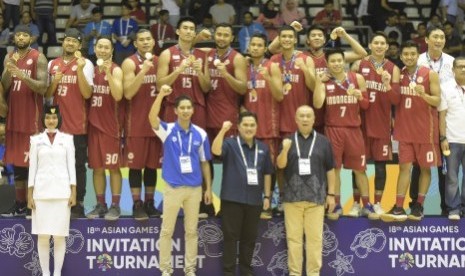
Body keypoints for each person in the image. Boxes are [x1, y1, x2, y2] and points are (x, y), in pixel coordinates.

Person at [149, 87, 212, 276]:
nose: (185, 110)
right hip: (173, 188)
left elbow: (205, 163)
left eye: (188, 107)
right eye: (182, 108)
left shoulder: (200, 134)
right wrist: (161, 95)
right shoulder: (167, 130)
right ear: (175, 111)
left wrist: (208, 188)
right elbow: (152, 118)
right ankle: (166, 270)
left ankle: (190, 270)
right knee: (166, 231)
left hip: (194, 189)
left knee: (192, 232)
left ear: (193, 110)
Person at [157, 17, 212, 218]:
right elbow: (159, 84)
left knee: (199, 155)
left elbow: (207, 87)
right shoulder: (167, 54)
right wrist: (178, 70)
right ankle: (169, 201)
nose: (189, 31)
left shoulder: (201, 56)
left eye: (192, 28)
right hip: (173, 108)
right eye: (185, 28)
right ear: (178, 32)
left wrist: (198, 71)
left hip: (196, 108)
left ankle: (200, 203)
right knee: (171, 155)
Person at [381, 41, 441, 222]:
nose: (409, 57)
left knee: (424, 169)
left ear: (418, 55)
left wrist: (424, 95)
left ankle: (419, 205)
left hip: (426, 132)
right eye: (405, 54)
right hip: (404, 131)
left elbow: (437, 101)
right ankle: (399, 207)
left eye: (412, 54)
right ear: (401, 57)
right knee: (404, 168)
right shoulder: (399, 75)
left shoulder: (429, 74)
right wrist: (386, 85)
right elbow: (395, 100)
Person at [313, 48, 376, 220]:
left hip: (353, 130)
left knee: (360, 170)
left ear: (344, 61)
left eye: (339, 60)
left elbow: (366, 106)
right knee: (335, 170)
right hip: (333, 130)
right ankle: (336, 205)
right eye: (332, 61)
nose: (336, 64)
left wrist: (359, 96)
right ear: (327, 63)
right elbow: (317, 104)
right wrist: (318, 82)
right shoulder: (325, 82)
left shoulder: (357, 78)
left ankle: (367, 205)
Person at [277, 105, 336, 276]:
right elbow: (280, 166)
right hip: (292, 200)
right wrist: (286, 149)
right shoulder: (287, 140)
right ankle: (294, 273)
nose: (304, 119)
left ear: (313, 119)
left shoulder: (324, 141)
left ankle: (313, 273)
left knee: (315, 241)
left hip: (316, 200)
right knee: (293, 240)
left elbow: (330, 170)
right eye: (301, 116)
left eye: (308, 116)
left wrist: (331, 195)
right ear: (295, 119)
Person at [211, 113, 273, 276]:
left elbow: (267, 173)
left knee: (249, 239)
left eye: (252, 125)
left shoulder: (263, 148)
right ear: (238, 127)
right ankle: (229, 272)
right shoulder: (230, 144)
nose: (249, 128)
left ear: (256, 127)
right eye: (245, 125)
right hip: (232, 199)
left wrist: (267, 196)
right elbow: (215, 150)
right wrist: (223, 130)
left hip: (254, 201)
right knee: (230, 238)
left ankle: (246, 271)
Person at [269, 25, 320, 216]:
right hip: (279, 120)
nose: (287, 40)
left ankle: (302, 196)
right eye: (284, 37)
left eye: (291, 37)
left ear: (295, 39)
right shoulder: (274, 60)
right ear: (280, 39)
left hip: (302, 122)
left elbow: (314, 86)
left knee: (302, 164)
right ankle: (282, 198)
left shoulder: (306, 59)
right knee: (280, 165)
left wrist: (306, 69)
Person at [350, 32, 400, 217]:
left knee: (380, 167)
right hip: (360, 124)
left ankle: (377, 203)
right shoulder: (359, 65)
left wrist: (387, 85)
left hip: (381, 125)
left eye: (382, 43)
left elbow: (396, 100)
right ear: (370, 45)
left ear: (387, 47)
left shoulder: (393, 69)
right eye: (376, 43)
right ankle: (356, 203)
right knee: (358, 166)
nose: (379, 46)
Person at [46, 28, 94, 218]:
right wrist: (55, 82)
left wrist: (80, 70)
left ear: (80, 45)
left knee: (77, 166)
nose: (70, 43)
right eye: (68, 40)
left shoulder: (86, 63)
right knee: (56, 166)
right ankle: (59, 201)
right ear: (63, 42)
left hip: (77, 124)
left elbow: (87, 94)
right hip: (56, 126)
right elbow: (47, 95)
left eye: (75, 41)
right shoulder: (52, 64)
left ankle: (79, 203)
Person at [1, 25, 47, 217]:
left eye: (25, 35)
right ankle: (20, 203)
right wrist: (8, 71)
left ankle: (33, 204)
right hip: (14, 119)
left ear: (31, 38)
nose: (21, 38)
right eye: (18, 35)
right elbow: (3, 86)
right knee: (18, 165)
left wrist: (21, 75)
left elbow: (43, 87)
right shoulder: (9, 57)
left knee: (33, 166)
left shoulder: (39, 57)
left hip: (32, 121)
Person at [28, 104, 76, 276]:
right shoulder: (36, 140)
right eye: (48, 117)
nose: (51, 121)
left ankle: (57, 273)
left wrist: (73, 191)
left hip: (62, 194)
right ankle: (46, 273)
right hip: (41, 194)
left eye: (54, 118)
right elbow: (32, 168)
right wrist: (30, 194)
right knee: (42, 236)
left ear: (59, 119)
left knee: (59, 236)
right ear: (43, 119)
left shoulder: (67, 139)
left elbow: (72, 167)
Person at [413, 26, 454, 216]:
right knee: (418, 163)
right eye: (435, 37)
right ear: (427, 40)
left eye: (442, 37)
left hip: (446, 121)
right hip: (421, 119)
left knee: (445, 165)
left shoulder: (452, 62)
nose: (438, 40)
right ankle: (415, 204)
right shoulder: (418, 60)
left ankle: (447, 207)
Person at [122, 29, 162, 220]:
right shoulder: (130, 62)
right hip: (136, 124)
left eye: (148, 39)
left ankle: (150, 202)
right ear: (135, 43)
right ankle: (137, 204)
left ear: (153, 42)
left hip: (156, 124)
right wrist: (144, 70)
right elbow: (128, 93)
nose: (145, 42)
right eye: (141, 40)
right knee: (136, 167)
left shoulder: (161, 61)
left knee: (152, 166)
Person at [242, 33, 283, 218]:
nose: (256, 48)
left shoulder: (272, 66)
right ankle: (251, 203)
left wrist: (268, 78)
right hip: (248, 127)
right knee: (249, 167)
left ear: (265, 47)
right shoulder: (243, 66)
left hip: (268, 125)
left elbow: (280, 95)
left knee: (269, 167)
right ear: (249, 47)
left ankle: (267, 203)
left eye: (260, 45)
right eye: (253, 45)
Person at [86, 37, 124, 221]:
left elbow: (118, 95)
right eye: (99, 46)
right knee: (97, 168)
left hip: (111, 127)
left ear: (111, 50)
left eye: (106, 47)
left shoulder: (116, 70)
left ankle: (115, 205)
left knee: (113, 168)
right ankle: (101, 204)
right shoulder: (90, 70)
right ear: (94, 49)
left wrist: (108, 73)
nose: (102, 50)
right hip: (93, 126)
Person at [438, 56, 465, 220]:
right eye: (460, 66)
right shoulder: (445, 88)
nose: (463, 69)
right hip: (452, 140)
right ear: (453, 70)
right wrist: (442, 138)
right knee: (452, 178)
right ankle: (454, 209)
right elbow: (442, 116)